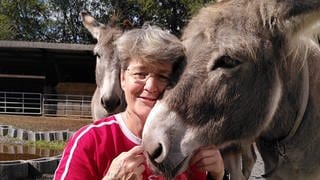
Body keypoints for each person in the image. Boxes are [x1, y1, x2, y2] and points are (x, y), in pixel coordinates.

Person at [54, 25, 226, 180]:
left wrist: (217, 176)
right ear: (122, 78)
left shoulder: (186, 146)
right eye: (140, 74)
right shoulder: (90, 142)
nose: (151, 86)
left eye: (162, 76)